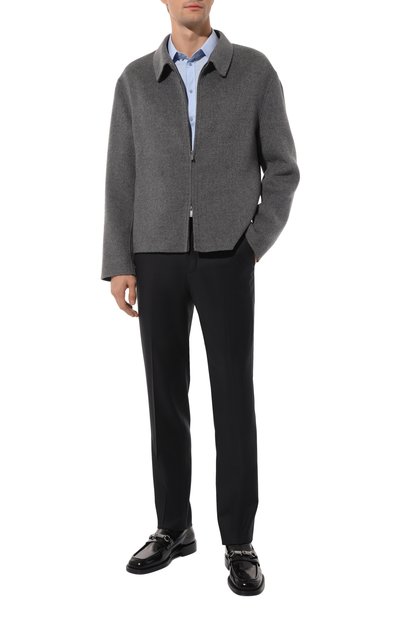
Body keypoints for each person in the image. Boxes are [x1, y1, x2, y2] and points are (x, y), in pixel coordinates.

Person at [100, 0, 300, 596]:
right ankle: (173, 527)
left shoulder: (254, 71)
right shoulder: (135, 81)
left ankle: (238, 540)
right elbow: (121, 176)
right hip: (154, 255)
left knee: (233, 397)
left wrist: (251, 245)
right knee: (164, 394)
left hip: (226, 256)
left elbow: (283, 169)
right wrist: (119, 262)